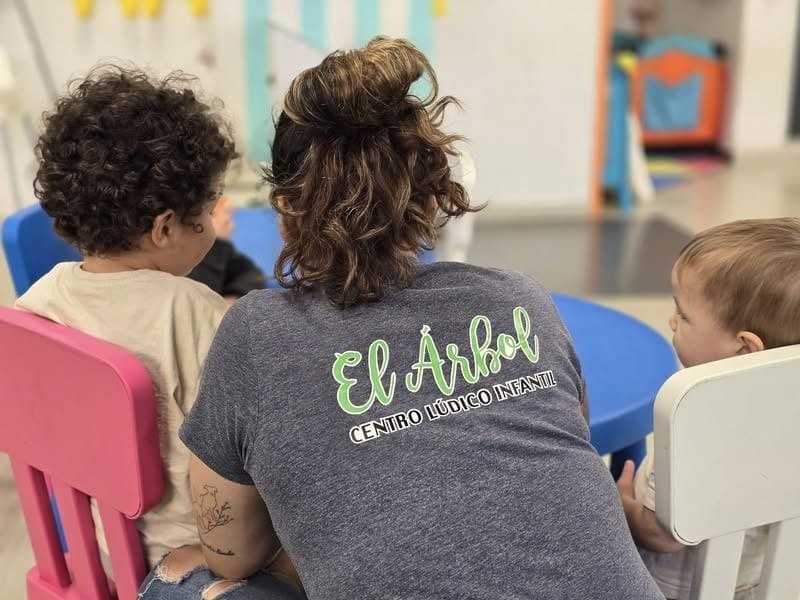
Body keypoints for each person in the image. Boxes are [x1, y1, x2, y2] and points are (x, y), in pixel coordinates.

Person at [153, 37, 666, 600]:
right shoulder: (522, 298)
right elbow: (563, 449)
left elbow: (231, 552)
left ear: (285, 210)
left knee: (176, 577)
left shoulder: (256, 335)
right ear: (432, 199)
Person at [15, 66, 297, 599]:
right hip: (204, 556)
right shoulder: (197, 314)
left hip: (104, 544)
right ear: (165, 228)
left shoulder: (39, 303)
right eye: (209, 206)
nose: (216, 220)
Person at [616, 218, 800, 599]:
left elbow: (660, 535)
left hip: (677, 589)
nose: (672, 321)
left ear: (745, 349)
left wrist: (622, 506)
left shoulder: (696, 422)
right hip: (758, 583)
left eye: (684, 315)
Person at [188, 195, 268, 303]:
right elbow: (200, 296)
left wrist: (233, 298)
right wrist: (216, 241)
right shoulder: (185, 253)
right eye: (211, 213)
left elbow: (254, 276)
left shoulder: (225, 251)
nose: (231, 224)